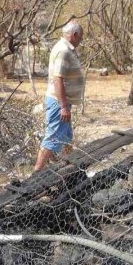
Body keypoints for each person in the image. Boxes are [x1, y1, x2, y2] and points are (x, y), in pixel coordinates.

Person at [34, 21, 85, 171]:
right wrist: (63, 106)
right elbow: (58, 79)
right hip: (59, 102)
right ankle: (36, 173)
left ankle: (67, 168)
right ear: (74, 35)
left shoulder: (67, 49)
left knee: (66, 137)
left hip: (64, 102)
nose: (81, 41)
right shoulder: (63, 50)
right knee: (52, 137)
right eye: (80, 37)